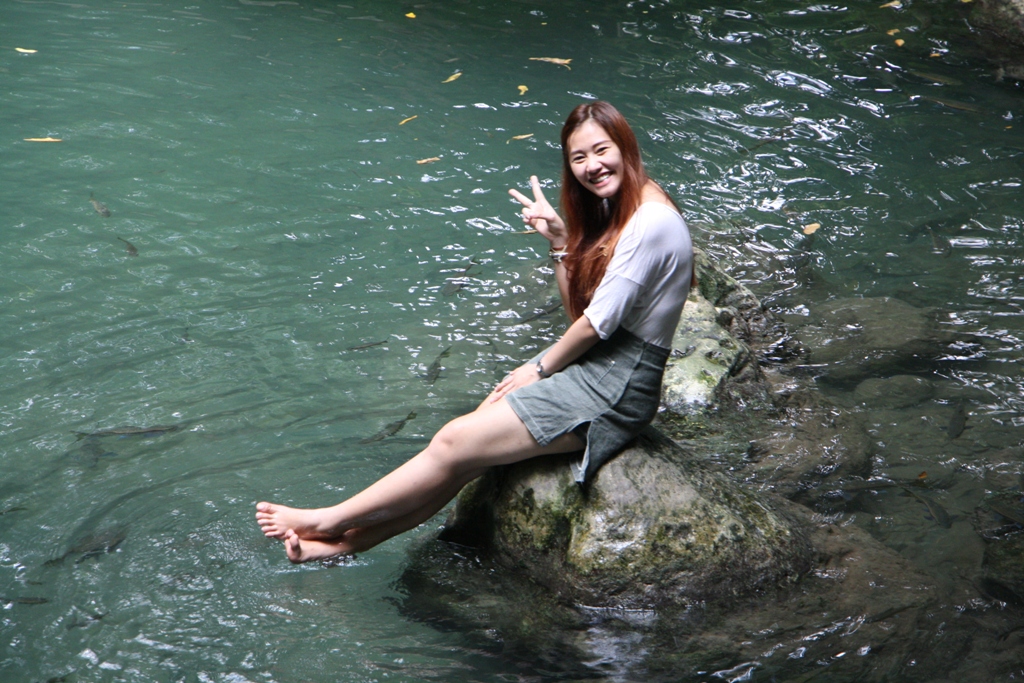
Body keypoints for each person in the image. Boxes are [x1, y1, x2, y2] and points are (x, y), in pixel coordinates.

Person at [256, 101, 694, 563]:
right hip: (597, 366)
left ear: (625, 146)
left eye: (601, 150)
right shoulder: (622, 207)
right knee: (468, 445)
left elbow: (593, 325)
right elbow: (580, 313)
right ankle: (347, 544)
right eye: (578, 157)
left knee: (453, 441)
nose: (592, 166)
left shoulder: (650, 222)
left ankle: (327, 521)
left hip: (617, 385)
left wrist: (537, 368)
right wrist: (562, 243)